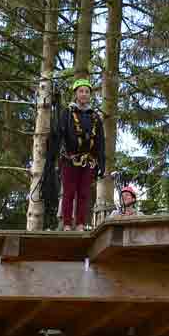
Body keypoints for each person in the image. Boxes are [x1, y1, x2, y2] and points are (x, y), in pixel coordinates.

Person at [49, 75, 106, 230]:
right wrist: (53, 155)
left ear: (89, 95)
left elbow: (100, 141)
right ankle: (67, 224)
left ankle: (80, 224)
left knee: (84, 194)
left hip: (89, 161)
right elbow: (58, 135)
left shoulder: (95, 117)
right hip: (70, 159)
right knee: (69, 192)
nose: (84, 94)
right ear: (76, 93)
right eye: (81, 91)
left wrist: (102, 163)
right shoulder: (67, 114)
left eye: (86, 92)